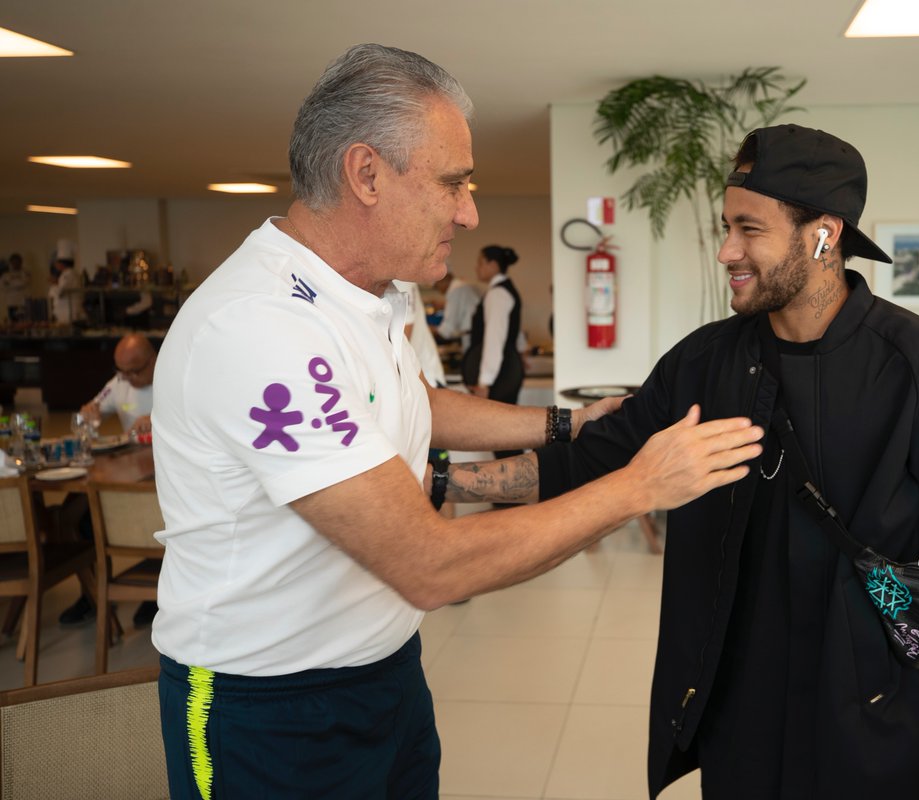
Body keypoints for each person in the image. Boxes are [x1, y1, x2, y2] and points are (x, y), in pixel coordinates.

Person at [149, 43, 762, 800]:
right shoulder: (259, 329)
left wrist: (566, 424)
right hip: (269, 704)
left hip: (387, 668)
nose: (470, 212)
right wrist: (640, 486)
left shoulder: (379, 291)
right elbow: (430, 564)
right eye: (453, 183)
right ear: (366, 174)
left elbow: (414, 403)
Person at [518, 125, 919, 799]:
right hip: (739, 726)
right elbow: (590, 460)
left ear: (823, 235)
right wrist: (442, 479)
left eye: (749, 229)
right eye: (725, 226)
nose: (725, 250)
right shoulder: (705, 361)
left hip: (871, 729)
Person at [58, 333, 159, 628]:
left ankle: (155, 595)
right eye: (121, 371)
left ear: (153, 360)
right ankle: (91, 593)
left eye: (135, 370)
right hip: (128, 472)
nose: (127, 378)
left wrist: (161, 417)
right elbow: (90, 411)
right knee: (77, 517)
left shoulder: (174, 377)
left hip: (163, 476)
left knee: (152, 522)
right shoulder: (120, 384)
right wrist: (88, 415)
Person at [462, 245, 524, 459]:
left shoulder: (498, 294)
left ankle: (521, 489)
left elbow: (494, 339)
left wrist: (484, 382)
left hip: (500, 376)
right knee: (505, 437)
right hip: (506, 371)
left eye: (480, 262)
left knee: (504, 438)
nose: (476, 267)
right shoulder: (503, 290)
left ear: (493, 265)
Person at [432, 268, 481, 345]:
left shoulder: (455, 291)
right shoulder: (462, 286)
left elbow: (448, 327)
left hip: (471, 335)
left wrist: (432, 330)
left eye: (437, 286)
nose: (438, 290)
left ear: (443, 280)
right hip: (476, 332)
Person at [48, 257, 84, 324]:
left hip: (68, 310)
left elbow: (60, 292)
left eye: (57, 263)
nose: (56, 266)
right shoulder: (69, 273)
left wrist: (54, 284)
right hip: (66, 310)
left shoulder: (68, 274)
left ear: (62, 264)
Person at [1, 252, 30, 321]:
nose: (16, 264)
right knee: (13, 322)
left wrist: (10, 283)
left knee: (24, 322)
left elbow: (23, 283)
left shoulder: (25, 273)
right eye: (14, 262)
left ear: (21, 262)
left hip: (23, 302)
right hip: (11, 303)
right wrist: (17, 283)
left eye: (17, 262)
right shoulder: (6, 275)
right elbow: (2, 286)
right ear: (10, 263)